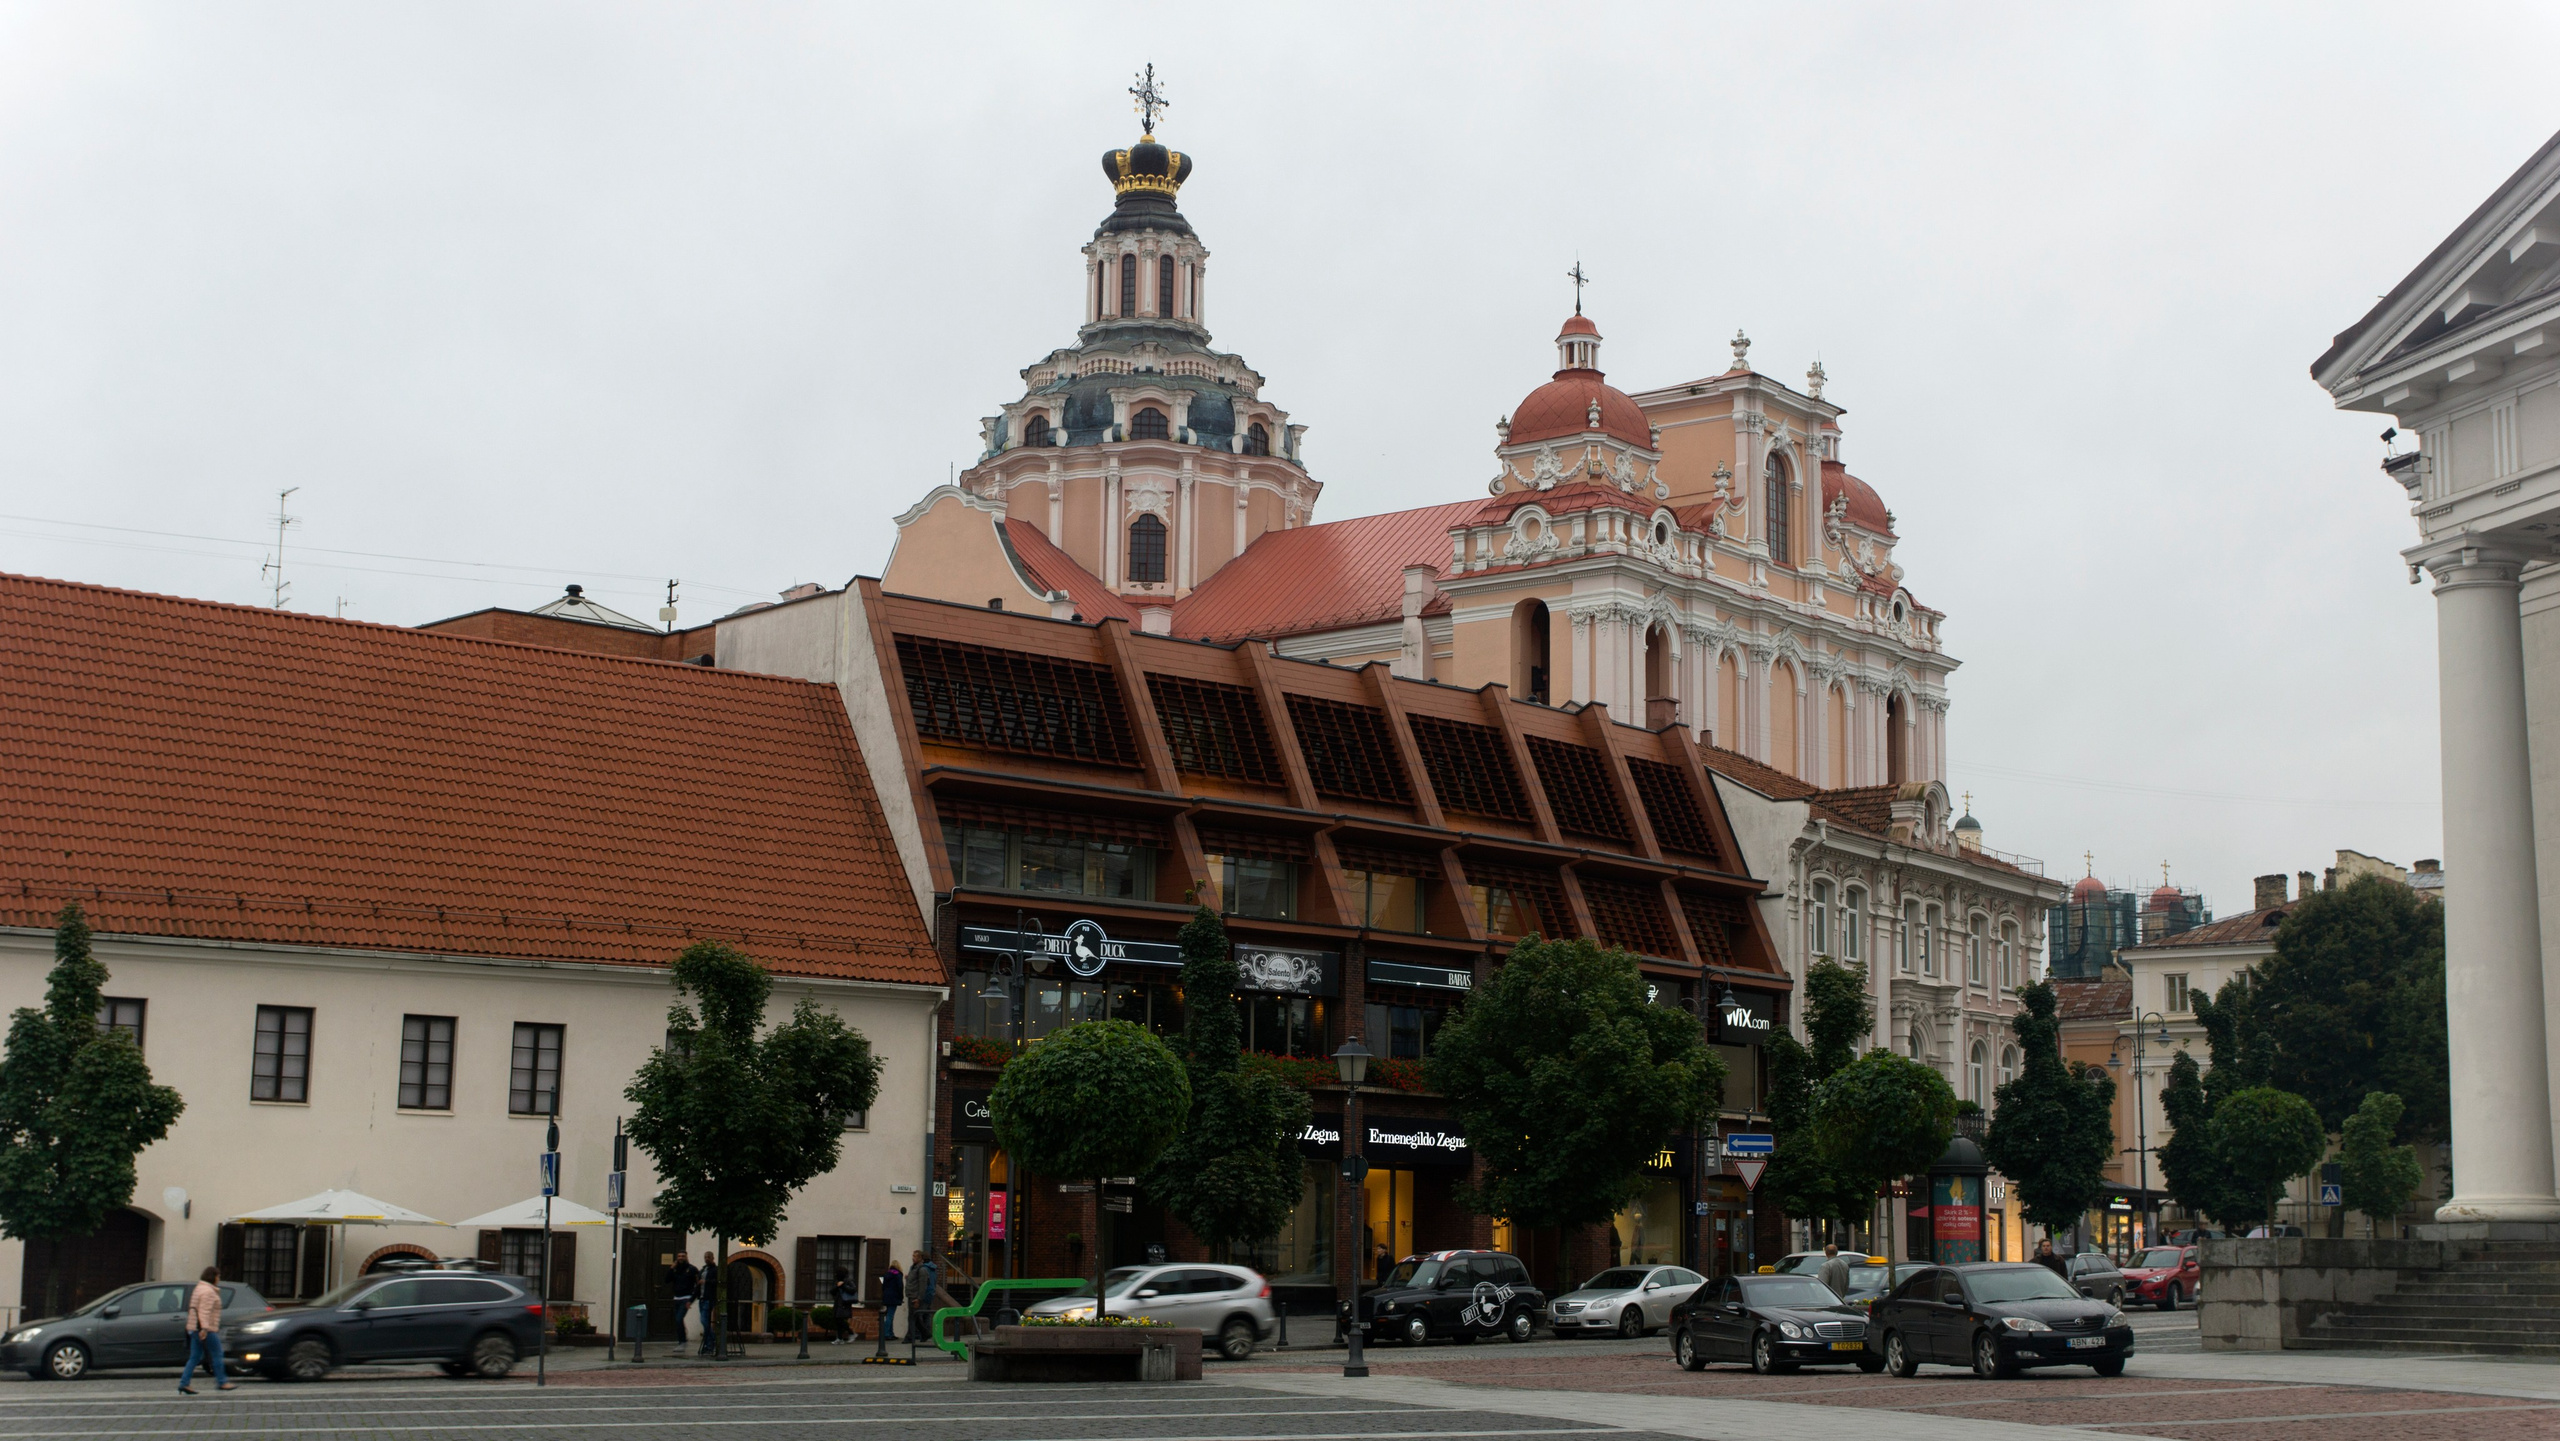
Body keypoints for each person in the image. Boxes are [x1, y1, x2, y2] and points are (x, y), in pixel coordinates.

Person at [178, 1265, 234, 1394]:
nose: (219, 1279)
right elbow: (204, 1311)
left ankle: (184, 1383)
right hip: (205, 1328)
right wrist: (204, 1328)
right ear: (213, 1277)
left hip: (194, 1328)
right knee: (217, 1353)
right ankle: (222, 1382)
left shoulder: (199, 1288)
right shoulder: (208, 1291)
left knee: (195, 1357)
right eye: (218, 1276)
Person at [667, 1253, 701, 1353]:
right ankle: (682, 1337)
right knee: (677, 1320)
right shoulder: (675, 1269)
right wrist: (671, 1269)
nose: (681, 1258)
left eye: (683, 1256)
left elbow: (697, 1284)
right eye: (679, 1256)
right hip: (676, 1297)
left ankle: (682, 1342)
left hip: (686, 1297)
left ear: (686, 1257)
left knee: (679, 1318)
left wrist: (691, 1300)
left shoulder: (692, 1269)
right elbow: (667, 1280)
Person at [909, 1249, 942, 1348]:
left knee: (917, 1315)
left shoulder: (923, 1269)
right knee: (926, 1315)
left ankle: (923, 1334)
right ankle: (925, 1334)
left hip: (924, 1293)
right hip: (931, 1292)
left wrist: (919, 1296)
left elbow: (923, 1283)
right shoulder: (933, 1268)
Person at [697, 1250, 721, 1356]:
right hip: (702, 1298)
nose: (706, 1259)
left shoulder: (715, 1270)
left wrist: (706, 1282)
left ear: (712, 1258)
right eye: (705, 1257)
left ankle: (711, 1342)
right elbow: (698, 1285)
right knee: (705, 1322)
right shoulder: (703, 1269)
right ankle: (710, 1342)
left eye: (708, 1257)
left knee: (704, 1321)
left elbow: (717, 1282)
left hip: (709, 1298)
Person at [878, 1260, 904, 1342]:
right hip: (894, 1297)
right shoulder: (898, 1275)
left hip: (886, 1296)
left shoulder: (886, 1275)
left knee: (890, 1315)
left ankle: (890, 1333)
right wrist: (901, 1297)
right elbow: (900, 1287)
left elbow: (883, 1286)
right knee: (890, 1315)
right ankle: (886, 1333)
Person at [830, 1268, 857, 1345]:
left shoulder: (848, 1281)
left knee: (840, 1320)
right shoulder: (837, 1282)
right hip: (838, 1303)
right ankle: (840, 1338)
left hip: (845, 1303)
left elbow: (853, 1290)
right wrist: (837, 1286)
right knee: (837, 1320)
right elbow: (832, 1291)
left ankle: (850, 1333)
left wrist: (843, 1285)